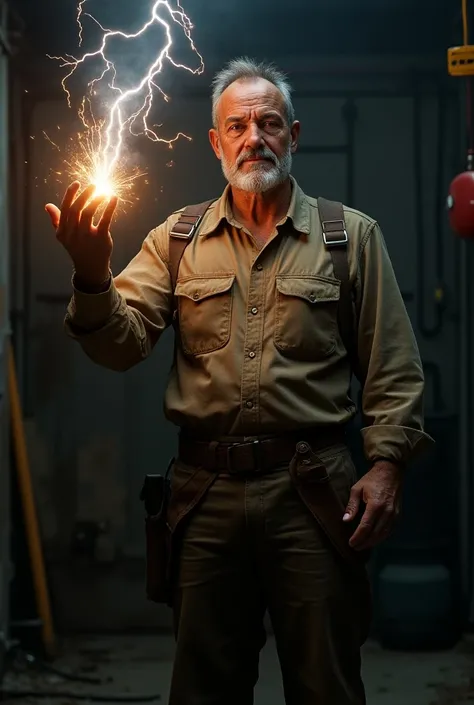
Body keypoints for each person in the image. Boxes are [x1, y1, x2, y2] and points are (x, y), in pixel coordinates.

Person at [45, 57, 432, 705]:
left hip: (311, 495)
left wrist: (387, 463)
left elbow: (394, 367)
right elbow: (121, 345)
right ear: (216, 141)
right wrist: (91, 277)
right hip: (206, 499)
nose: (255, 137)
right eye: (238, 125)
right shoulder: (178, 239)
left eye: (269, 122)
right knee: (205, 686)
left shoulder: (350, 238)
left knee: (327, 683)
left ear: (294, 134)